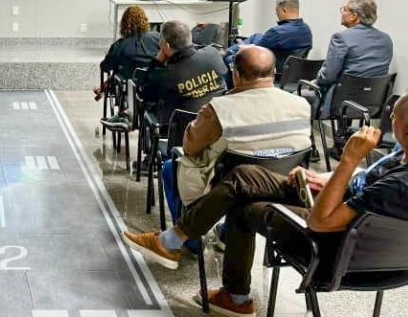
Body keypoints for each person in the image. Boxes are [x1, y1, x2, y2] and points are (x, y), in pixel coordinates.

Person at [123, 91, 408, 317]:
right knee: (244, 177)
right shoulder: (401, 155)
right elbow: (365, 181)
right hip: (343, 209)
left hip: (332, 245)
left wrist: (348, 160)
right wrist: (322, 179)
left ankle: (235, 296)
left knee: (242, 206)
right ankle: (174, 242)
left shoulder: (397, 186)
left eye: (394, 114)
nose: (389, 115)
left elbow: (321, 222)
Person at [161, 46, 312, 224]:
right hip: (283, 184)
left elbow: (190, 148)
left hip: (229, 187)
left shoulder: (218, 109)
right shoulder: (301, 104)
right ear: (274, 72)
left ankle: (191, 240)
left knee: (171, 166)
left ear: (236, 75)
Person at [315, 0, 392, 157]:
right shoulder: (386, 40)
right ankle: (342, 140)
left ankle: (311, 150)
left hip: (342, 101)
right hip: (374, 101)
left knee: (307, 94)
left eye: (344, 9)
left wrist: (316, 80)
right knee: (348, 89)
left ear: (354, 16)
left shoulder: (341, 38)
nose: (341, 13)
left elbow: (328, 76)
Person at [139, 20, 227, 125]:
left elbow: (145, 94)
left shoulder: (164, 75)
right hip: (217, 126)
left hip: (180, 134)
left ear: (166, 45)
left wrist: (157, 62)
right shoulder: (213, 55)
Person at [94, 5, 160, 113]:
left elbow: (106, 67)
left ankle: (104, 90)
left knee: (118, 74)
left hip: (128, 88)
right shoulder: (157, 38)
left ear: (124, 24)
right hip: (152, 86)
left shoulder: (119, 45)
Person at [223, 0, 313, 65]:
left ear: (284, 10)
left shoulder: (276, 33)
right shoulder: (307, 30)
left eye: (277, 10)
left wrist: (242, 49)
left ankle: (227, 52)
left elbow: (253, 53)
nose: (275, 13)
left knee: (228, 59)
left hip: (268, 71)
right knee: (256, 36)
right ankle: (229, 50)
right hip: (291, 75)